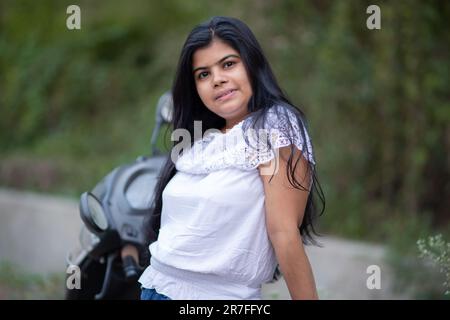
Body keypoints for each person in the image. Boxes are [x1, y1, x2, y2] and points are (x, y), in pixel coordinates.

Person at [139, 16, 325, 300]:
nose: (217, 80)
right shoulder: (200, 139)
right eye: (203, 74)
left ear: (251, 64)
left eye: (228, 64)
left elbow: (284, 234)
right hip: (154, 288)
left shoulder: (274, 126)